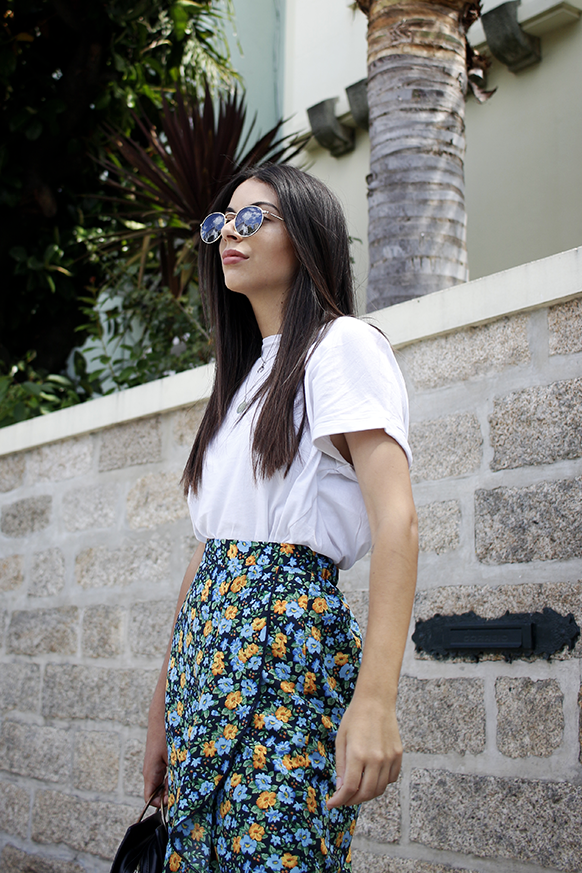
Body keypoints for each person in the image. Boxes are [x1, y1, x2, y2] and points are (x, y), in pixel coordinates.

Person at [142, 164, 418, 873]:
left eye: (251, 218)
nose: (227, 235)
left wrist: (376, 697)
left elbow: (398, 522)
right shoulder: (240, 382)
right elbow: (210, 552)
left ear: (306, 235)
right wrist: (162, 706)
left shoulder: (342, 346)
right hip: (204, 666)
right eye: (219, 223)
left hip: (287, 656)